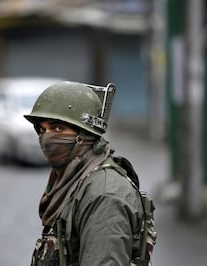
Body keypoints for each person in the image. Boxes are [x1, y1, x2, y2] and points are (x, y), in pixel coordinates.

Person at [24, 81, 156, 266]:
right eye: (42, 129)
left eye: (58, 128)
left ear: (84, 135)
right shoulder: (73, 182)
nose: (46, 138)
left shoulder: (105, 194)